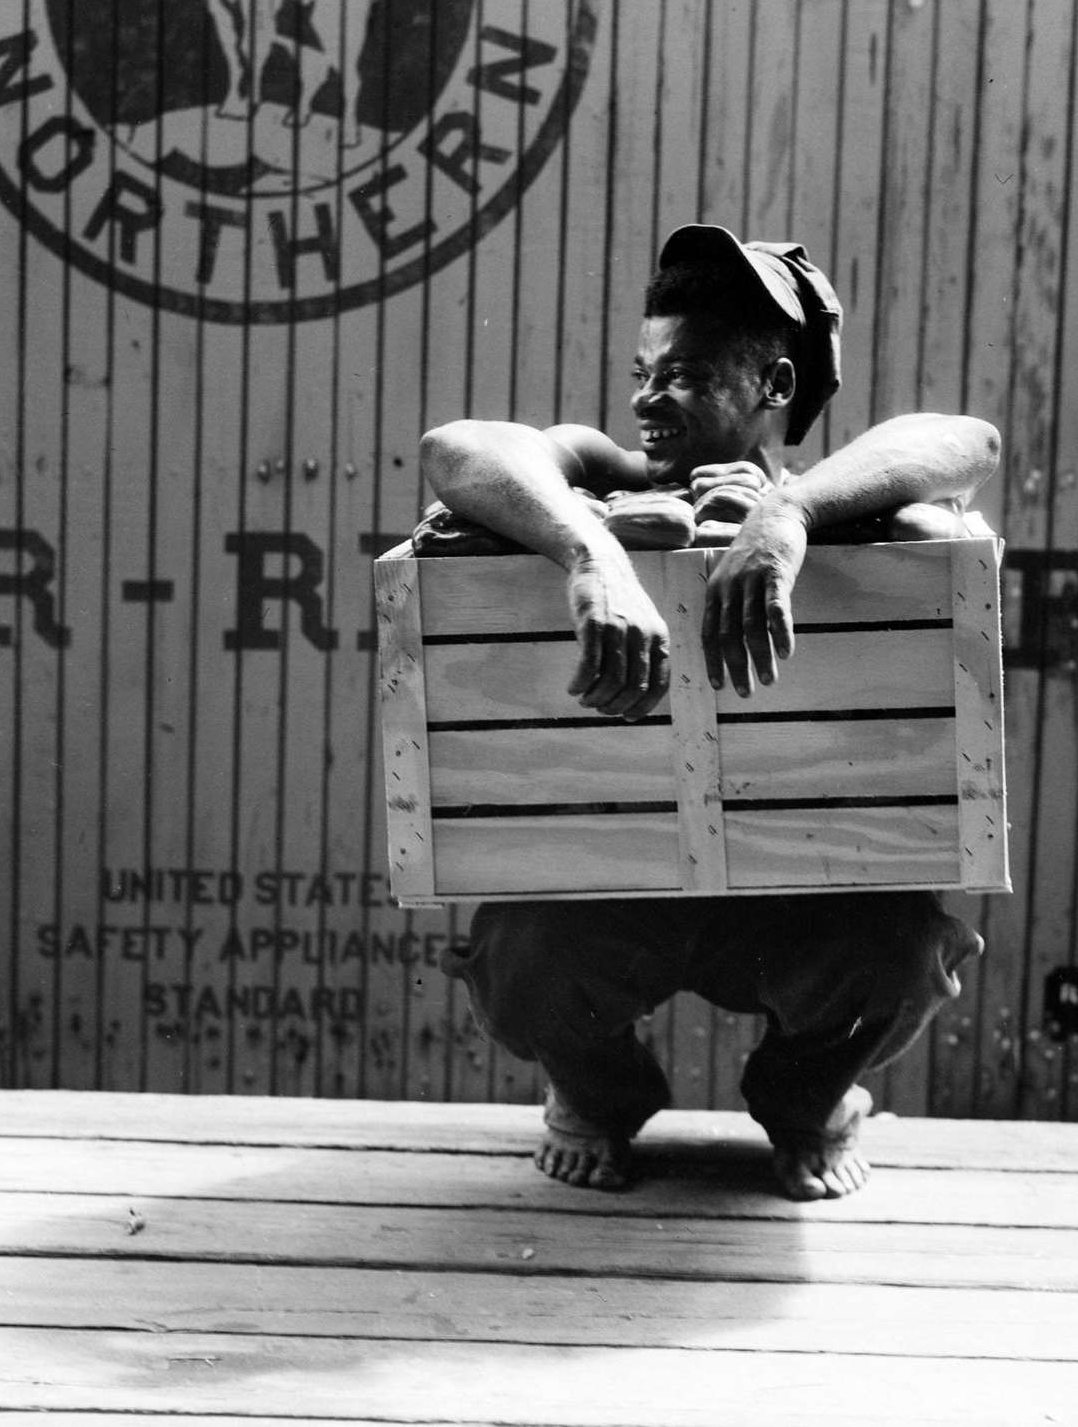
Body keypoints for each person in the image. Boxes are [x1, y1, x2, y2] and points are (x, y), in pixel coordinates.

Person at [419, 224, 998, 1200]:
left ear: (774, 386)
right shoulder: (605, 477)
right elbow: (458, 449)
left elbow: (969, 439)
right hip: (618, 883)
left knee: (896, 958)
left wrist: (789, 516)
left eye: (680, 373)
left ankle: (804, 1102)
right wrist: (591, 551)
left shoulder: (838, 507)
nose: (646, 396)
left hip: (801, 888)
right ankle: (599, 1097)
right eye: (643, 369)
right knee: (522, 960)